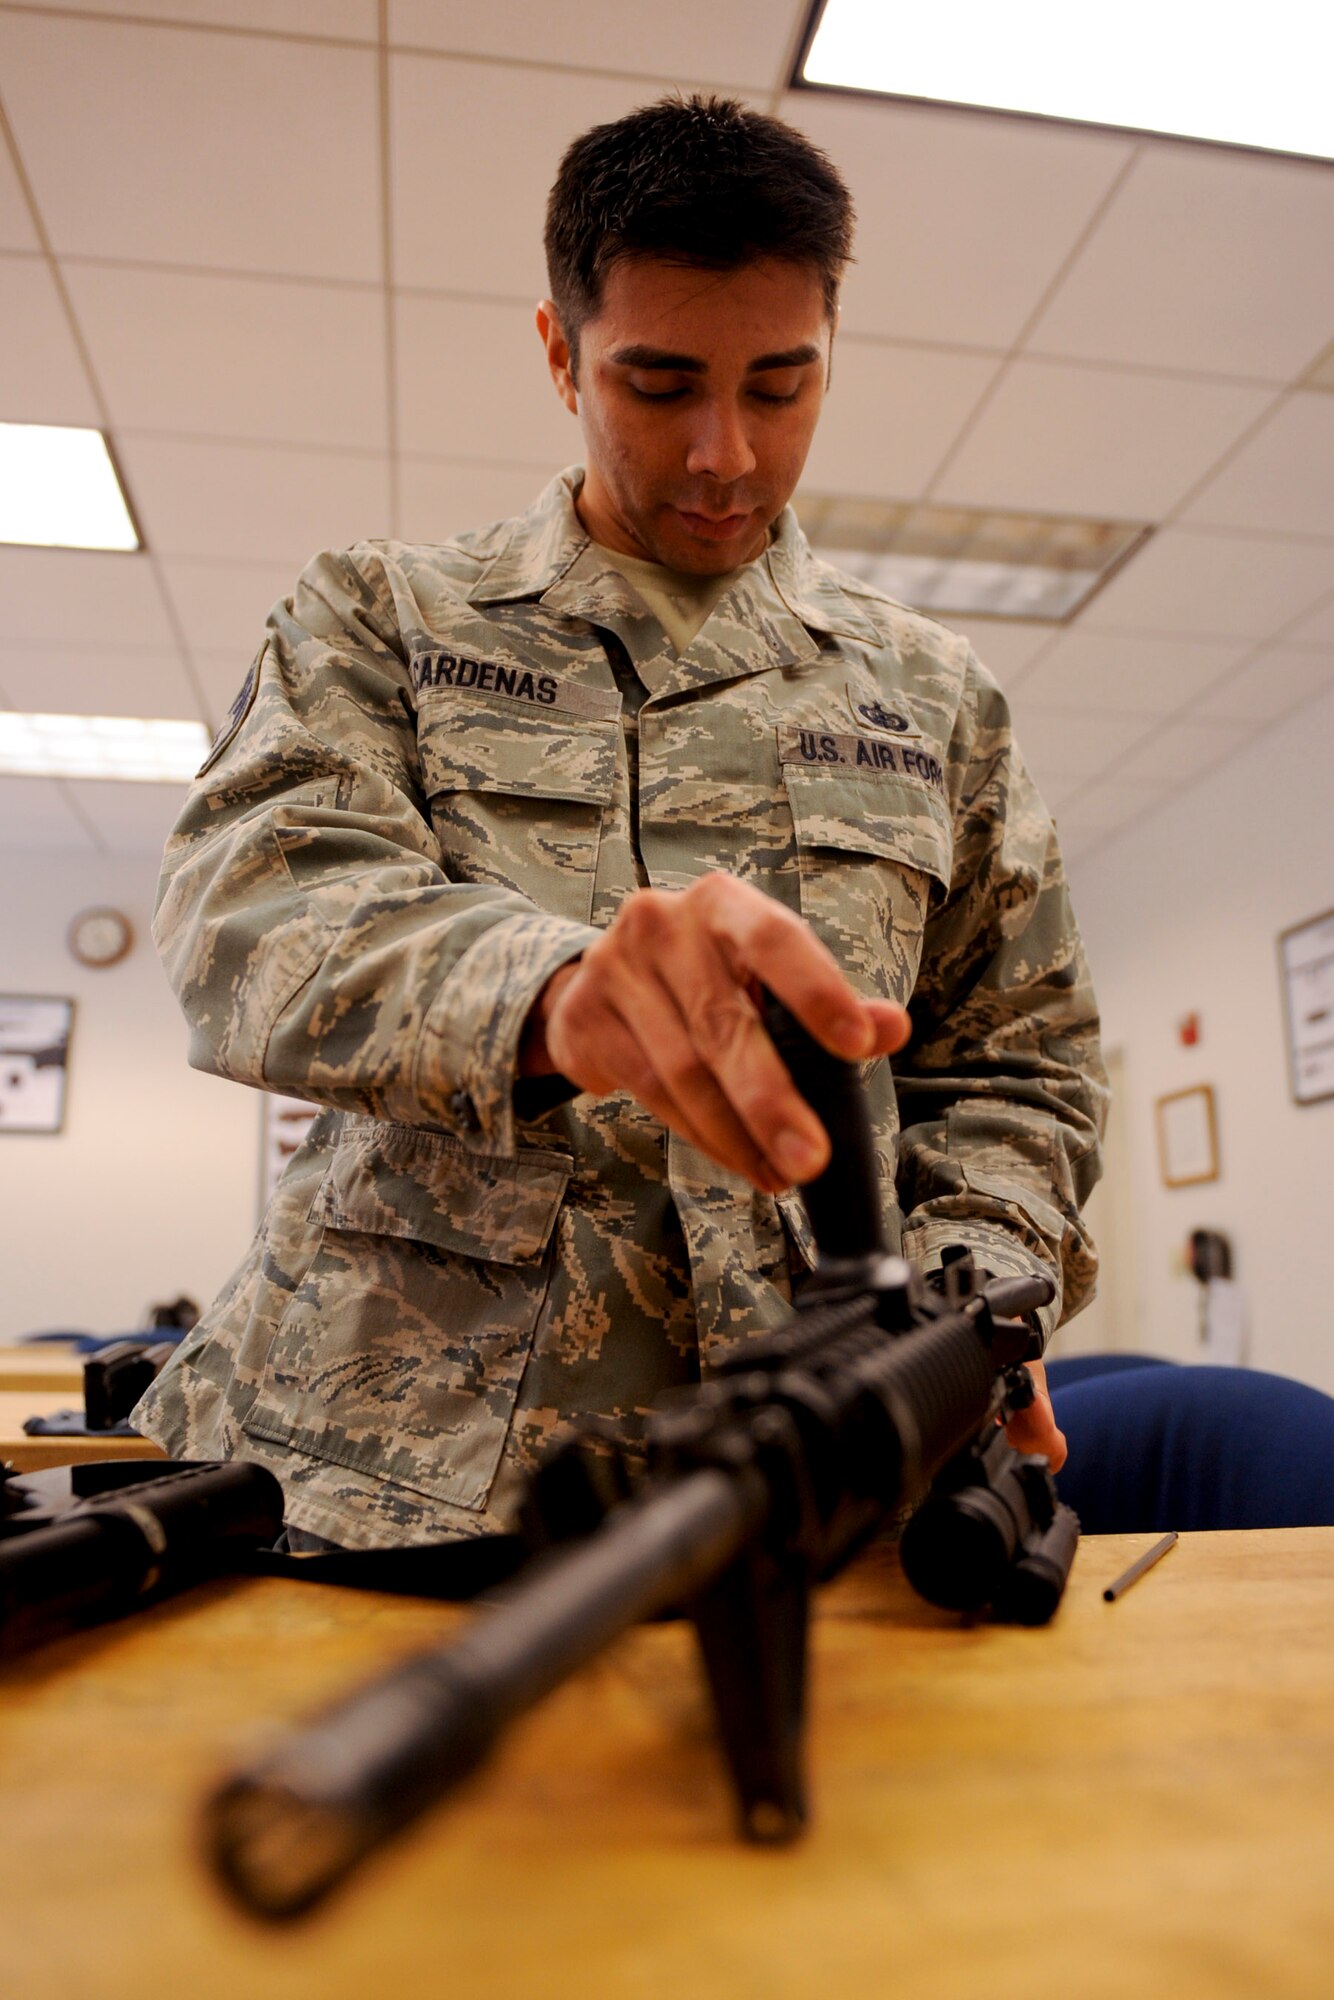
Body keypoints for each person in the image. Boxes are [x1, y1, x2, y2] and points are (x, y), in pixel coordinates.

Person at [133, 96, 1107, 1550]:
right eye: (659, 385)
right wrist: (551, 993)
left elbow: (1016, 1066)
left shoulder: (934, 700)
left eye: (779, 388)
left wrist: (965, 1303)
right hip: (389, 1491)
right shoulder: (383, 616)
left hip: (804, 1490)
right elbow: (246, 917)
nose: (723, 453)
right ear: (557, 353)